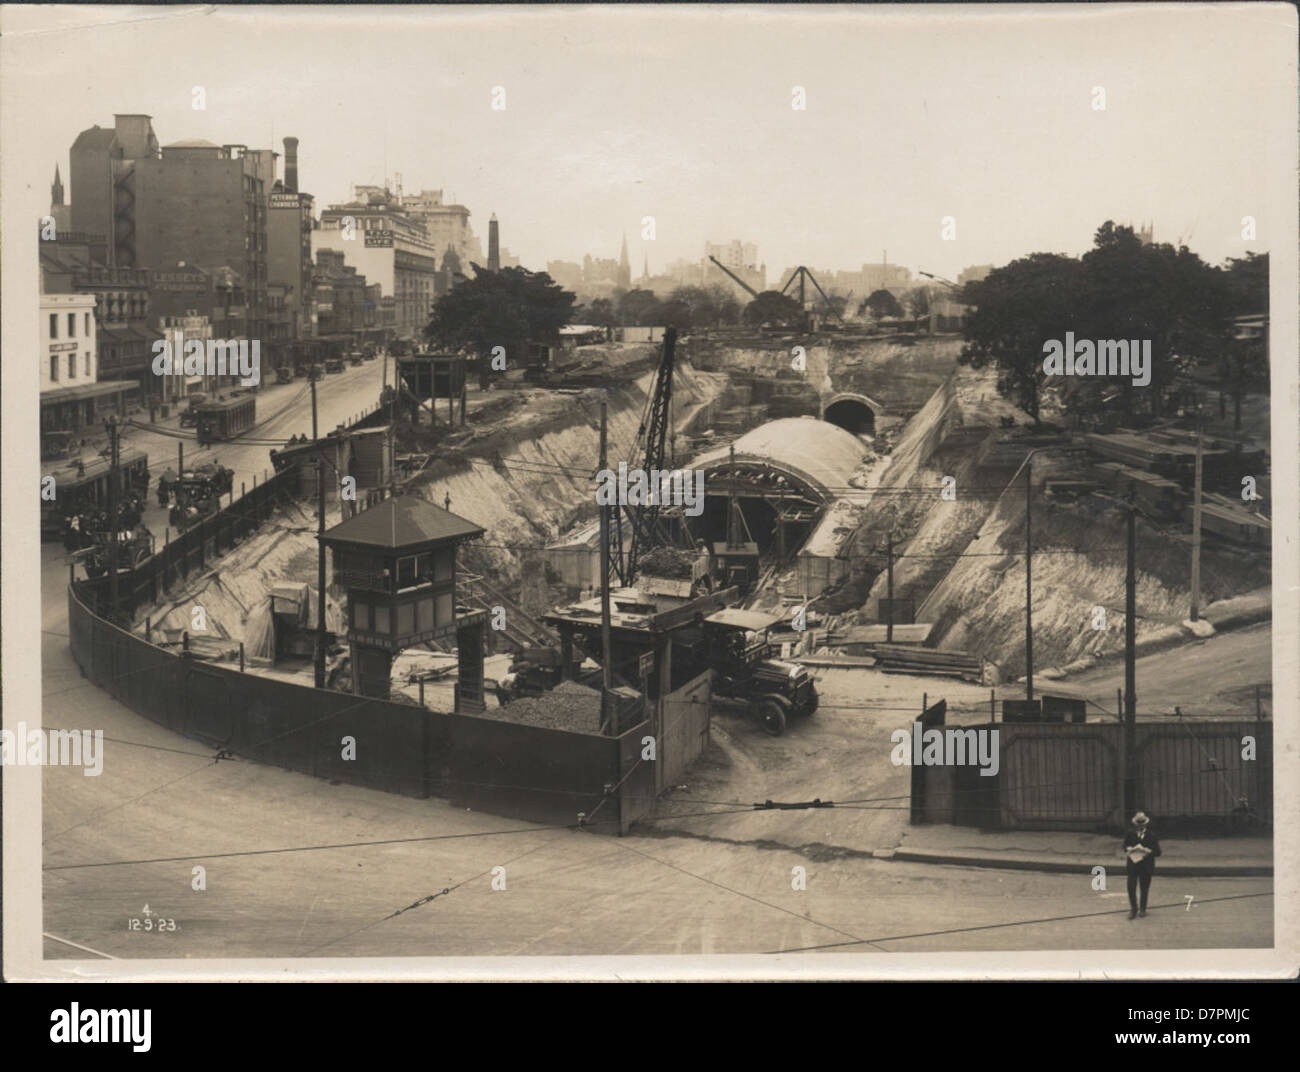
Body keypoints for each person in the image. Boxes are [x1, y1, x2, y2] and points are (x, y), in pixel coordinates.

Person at [1123, 811, 1162, 919]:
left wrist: (1148, 851)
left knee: (1144, 888)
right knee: (1131, 888)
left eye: (1142, 824)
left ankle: (1143, 909)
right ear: (1135, 824)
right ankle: (1133, 909)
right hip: (1133, 865)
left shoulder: (1151, 836)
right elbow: (1125, 846)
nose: (1140, 826)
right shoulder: (1130, 834)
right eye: (1138, 824)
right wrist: (1129, 849)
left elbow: (1158, 852)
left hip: (1146, 866)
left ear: (1145, 824)